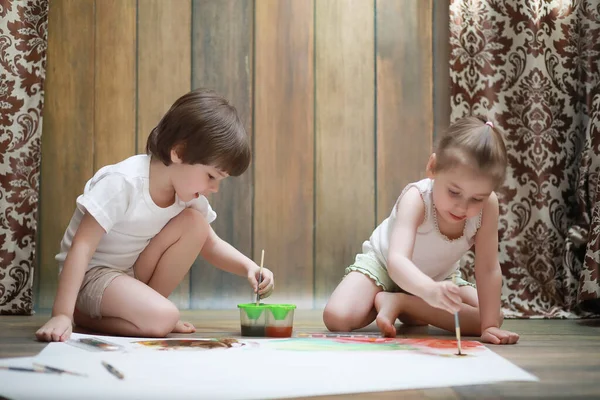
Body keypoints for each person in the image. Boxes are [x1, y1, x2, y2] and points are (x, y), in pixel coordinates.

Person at [36, 89, 274, 342]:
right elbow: (81, 247)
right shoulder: (123, 182)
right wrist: (61, 314)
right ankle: (88, 315)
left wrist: (250, 267)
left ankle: (152, 313)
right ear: (179, 153)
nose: (214, 188)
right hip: (89, 276)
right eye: (211, 176)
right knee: (164, 318)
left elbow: (211, 244)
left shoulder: (186, 196)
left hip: (128, 273)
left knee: (197, 225)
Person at [323, 116, 519, 345]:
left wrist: (489, 326)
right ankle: (405, 302)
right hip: (385, 266)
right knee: (337, 316)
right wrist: (429, 290)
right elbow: (397, 261)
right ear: (433, 167)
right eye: (454, 192)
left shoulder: (489, 206)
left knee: (493, 315)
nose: (462, 207)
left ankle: (401, 303)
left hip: (438, 278)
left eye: (477, 198)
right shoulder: (416, 199)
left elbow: (487, 268)